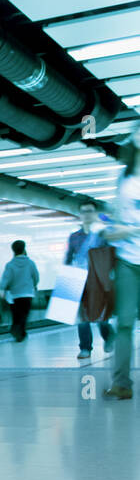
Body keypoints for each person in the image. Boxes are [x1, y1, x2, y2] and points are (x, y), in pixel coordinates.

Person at [104, 135, 140, 400]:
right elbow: (114, 219)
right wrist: (112, 229)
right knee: (124, 322)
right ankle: (121, 383)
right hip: (127, 260)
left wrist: (131, 229)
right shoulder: (124, 179)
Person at [65, 199, 114, 359]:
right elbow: (68, 257)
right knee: (82, 317)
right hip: (79, 279)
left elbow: (111, 256)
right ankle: (85, 348)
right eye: (84, 211)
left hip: (98, 280)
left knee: (101, 318)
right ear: (80, 215)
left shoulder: (102, 235)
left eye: (90, 211)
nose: (87, 214)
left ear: (94, 213)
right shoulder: (73, 237)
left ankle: (109, 337)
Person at [0, 240, 38, 343]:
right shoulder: (30, 263)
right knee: (24, 314)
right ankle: (21, 333)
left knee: (16, 314)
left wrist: (2, 288)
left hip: (15, 294)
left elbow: (6, 278)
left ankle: (18, 332)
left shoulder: (10, 264)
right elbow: (36, 276)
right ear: (24, 249)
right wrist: (34, 285)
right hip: (28, 293)